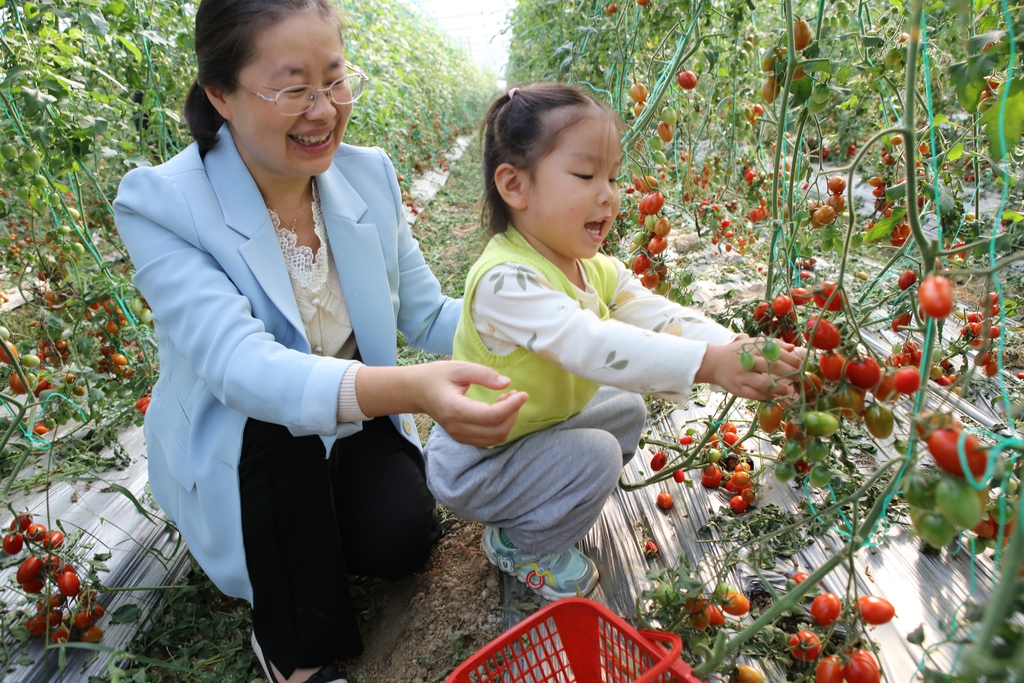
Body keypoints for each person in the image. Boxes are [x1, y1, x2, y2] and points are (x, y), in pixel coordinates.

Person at [111, 1, 528, 682]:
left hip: (352, 419)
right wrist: (414, 386)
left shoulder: (368, 175)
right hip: (250, 446)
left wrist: (538, 327)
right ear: (221, 94)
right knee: (276, 425)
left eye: (334, 80)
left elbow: (426, 312)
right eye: (293, 88)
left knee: (401, 540)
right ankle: (293, 651)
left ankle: (322, 525)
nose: (324, 110)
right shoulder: (163, 204)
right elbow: (241, 367)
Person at [424, 83, 803, 601]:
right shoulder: (504, 282)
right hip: (477, 462)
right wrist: (707, 365)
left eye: (613, 177)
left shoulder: (590, 267)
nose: (609, 194)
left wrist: (730, 346)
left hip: (526, 435)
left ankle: (551, 498)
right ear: (516, 187)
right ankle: (519, 542)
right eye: (586, 176)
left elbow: (653, 312)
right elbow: (591, 344)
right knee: (600, 455)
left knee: (626, 409)